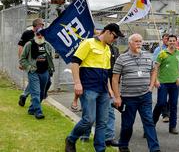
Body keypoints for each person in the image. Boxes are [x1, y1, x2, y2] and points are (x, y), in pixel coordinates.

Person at [65, 23, 124, 152]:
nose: (115, 40)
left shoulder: (108, 49)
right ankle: (71, 139)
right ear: (108, 32)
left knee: (102, 122)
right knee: (89, 120)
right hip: (89, 88)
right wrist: (77, 83)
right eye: (114, 36)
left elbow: (107, 72)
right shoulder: (88, 43)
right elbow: (75, 63)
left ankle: (100, 148)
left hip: (103, 90)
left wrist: (110, 90)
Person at [111, 33, 160, 152]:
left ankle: (155, 149)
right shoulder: (122, 58)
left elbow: (154, 71)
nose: (139, 43)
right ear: (130, 43)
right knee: (127, 124)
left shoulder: (148, 56)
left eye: (140, 41)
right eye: (136, 41)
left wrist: (151, 86)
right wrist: (117, 97)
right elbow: (115, 78)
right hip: (128, 97)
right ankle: (123, 145)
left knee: (149, 122)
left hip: (145, 96)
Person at [153, 34, 179, 134]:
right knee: (161, 103)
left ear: (176, 42)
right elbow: (156, 67)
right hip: (163, 83)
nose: (172, 42)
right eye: (170, 40)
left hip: (174, 84)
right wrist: (156, 80)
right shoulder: (162, 53)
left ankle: (172, 127)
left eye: (173, 41)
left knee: (173, 105)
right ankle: (151, 125)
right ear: (167, 42)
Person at [19, 27, 55, 119]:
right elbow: (22, 59)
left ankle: (31, 109)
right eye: (38, 34)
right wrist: (29, 67)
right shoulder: (29, 44)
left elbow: (51, 57)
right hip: (33, 72)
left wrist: (50, 69)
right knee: (36, 92)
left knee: (42, 94)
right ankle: (38, 112)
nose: (40, 36)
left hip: (45, 72)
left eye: (42, 34)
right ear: (35, 34)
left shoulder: (47, 45)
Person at [17, 18, 45, 107]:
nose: (43, 26)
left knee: (35, 80)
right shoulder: (27, 33)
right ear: (36, 25)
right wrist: (21, 62)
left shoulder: (42, 34)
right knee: (35, 79)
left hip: (41, 62)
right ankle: (29, 100)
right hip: (30, 61)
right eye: (41, 24)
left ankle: (24, 95)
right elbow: (20, 47)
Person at [152, 33, 170, 123]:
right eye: (166, 39)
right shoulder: (159, 50)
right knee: (162, 100)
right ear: (163, 40)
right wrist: (155, 79)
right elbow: (154, 64)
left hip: (171, 78)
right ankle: (164, 114)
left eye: (168, 39)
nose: (167, 40)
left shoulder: (173, 50)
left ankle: (166, 113)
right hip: (161, 78)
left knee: (170, 99)